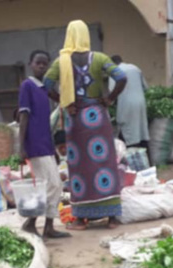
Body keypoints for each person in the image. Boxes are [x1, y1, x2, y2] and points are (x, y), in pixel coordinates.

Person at [44, 20, 128, 230]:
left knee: (79, 167)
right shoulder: (99, 58)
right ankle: (112, 218)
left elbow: (46, 83)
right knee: (104, 163)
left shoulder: (62, 61)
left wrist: (64, 101)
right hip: (97, 116)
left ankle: (81, 219)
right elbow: (121, 76)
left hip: (75, 117)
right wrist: (110, 99)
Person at [18, 50, 71, 239]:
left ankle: (48, 226)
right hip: (34, 144)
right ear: (30, 64)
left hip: (45, 144)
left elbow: (46, 121)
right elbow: (23, 116)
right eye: (38, 63)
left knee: (56, 185)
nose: (41, 66)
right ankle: (31, 223)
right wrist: (21, 145)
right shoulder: (27, 86)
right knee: (48, 185)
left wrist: (52, 149)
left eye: (44, 63)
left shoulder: (43, 90)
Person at [109, 55, 149, 149]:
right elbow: (146, 87)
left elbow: (112, 91)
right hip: (140, 102)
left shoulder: (115, 71)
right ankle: (147, 158)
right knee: (141, 129)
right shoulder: (135, 68)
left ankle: (132, 154)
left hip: (126, 104)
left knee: (127, 130)